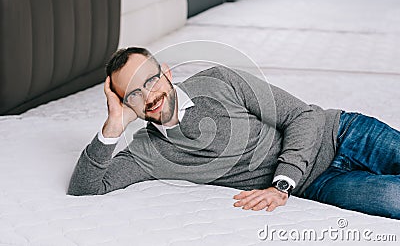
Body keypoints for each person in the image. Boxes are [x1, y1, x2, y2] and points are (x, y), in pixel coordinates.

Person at [67, 47, 400, 220]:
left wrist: (281, 183)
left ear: (166, 73)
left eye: (151, 81)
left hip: (340, 132)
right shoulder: (148, 153)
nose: (149, 96)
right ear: (126, 103)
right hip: (319, 183)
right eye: (134, 93)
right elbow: (85, 188)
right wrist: (113, 124)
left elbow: (303, 115)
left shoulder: (219, 80)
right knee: (393, 200)